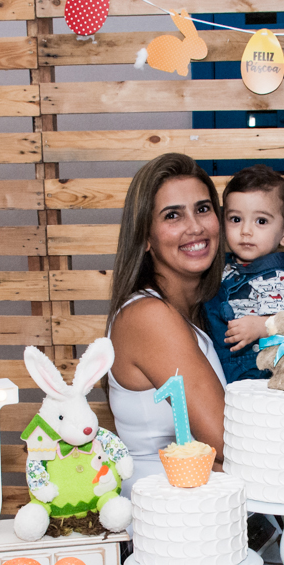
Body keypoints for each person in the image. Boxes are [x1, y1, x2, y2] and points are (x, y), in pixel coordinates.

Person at [106, 153, 229, 492]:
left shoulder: (195, 312)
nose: (195, 226)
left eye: (203, 209)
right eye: (173, 215)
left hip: (200, 518)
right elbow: (226, 439)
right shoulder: (149, 316)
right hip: (168, 528)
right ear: (145, 237)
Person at [203, 164, 284, 382]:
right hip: (221, 372)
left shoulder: (278, 278)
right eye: (235, 219)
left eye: (261, 221)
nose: (245, 231)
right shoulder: (223, 271)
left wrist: (261, 326)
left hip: (261, 375)